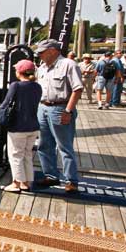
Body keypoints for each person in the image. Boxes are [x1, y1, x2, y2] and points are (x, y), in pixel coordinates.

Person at [34, 39, 84, 193]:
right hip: (43, 107)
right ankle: (50, 175)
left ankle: (71, 180)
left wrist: (68, 111)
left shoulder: (69, 65)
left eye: (42, 52)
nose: (40, 55)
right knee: (44, 144)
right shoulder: (42, 68)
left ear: (53, 51)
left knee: (64, 146)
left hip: (60, 107)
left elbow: (77, 89)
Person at [0, 59, 42, 192]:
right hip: (33, 126)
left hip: (18, 126)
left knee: (16, 155)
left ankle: (16, 183)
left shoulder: (16, 86)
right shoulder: (37, 86)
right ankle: (27, 182)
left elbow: (6, 103)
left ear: (20, 72)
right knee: (27, 154)